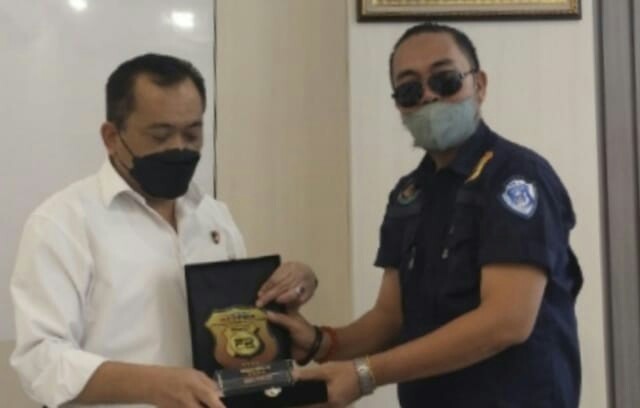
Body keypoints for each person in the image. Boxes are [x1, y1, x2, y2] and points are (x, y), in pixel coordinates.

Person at [269, 22, 583, 407]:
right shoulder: (409, 193)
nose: (429, 97)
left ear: (479, 85)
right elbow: (390, 317)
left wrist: (365, 374)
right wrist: (320, 342)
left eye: (446, 80)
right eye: (410, 89)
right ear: (399, 104)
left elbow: (507, 320)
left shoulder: (515, 177)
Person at [10, 53, 318, 408]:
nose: (179, 148)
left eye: (192, 133)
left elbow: (237, 330)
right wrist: (152, 385)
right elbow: (40, 361)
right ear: (111, 137)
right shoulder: (62, 224)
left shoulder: (214, 216)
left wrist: (286, 291)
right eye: (160, 135)